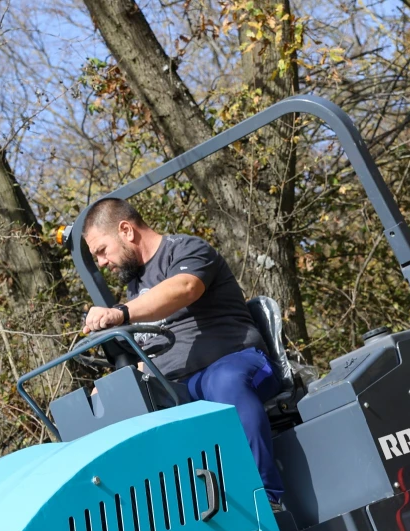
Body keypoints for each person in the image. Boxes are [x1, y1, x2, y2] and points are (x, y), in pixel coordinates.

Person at [81, 198, 284, 501]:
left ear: (126, 230)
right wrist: (110, 392)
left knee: (224, 382)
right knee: (116, 415)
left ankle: (266, 499)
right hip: (177, 387)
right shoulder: (135, 288)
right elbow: (149, 355)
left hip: (233, 363)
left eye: (101, 250)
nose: (101, 262)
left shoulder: (187, 249)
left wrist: (121, 313)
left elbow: (185, 288)